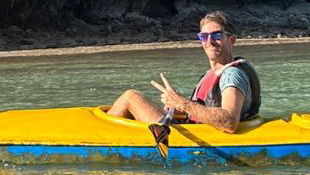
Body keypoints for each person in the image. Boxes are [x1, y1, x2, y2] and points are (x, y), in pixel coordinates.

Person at [105, 10, 260, 133]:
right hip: (193, 129)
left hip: (195, 136)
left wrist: (183, 103)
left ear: (231, 40)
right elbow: (204, 109)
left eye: (216, 35)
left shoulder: (232, 75)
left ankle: (99, 138)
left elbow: (230, 121)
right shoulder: (211, 73)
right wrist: (177, 103)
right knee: (133, 100)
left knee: (131, 97)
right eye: (204, 36)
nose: (209, 42)